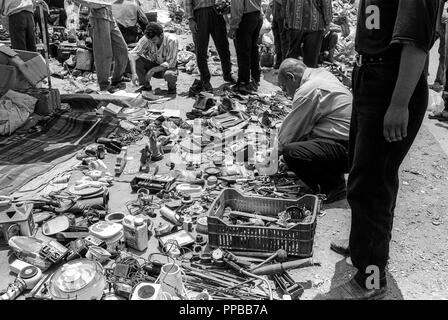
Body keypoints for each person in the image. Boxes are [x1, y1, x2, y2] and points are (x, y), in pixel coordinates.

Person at [326, 0, 439, 300]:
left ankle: (371, 279)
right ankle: (363, 243)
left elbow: (415, 44)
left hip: (390, 85)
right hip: (371, 78)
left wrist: (399, 104)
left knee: (373, 184)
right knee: (364, 172)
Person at [277, 58, 351, 203]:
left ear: (290, 77)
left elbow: (287, 137)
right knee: (301, 143)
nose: (285, 93)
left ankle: (333, 187)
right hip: (351, 144)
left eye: (284, 87)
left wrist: (269, 157)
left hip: (346, 150)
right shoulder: (322, 74)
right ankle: (333, 176)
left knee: (292, 152)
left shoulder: (309, 89)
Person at [72, 0, 128, 93]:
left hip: (109, 15)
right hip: (99, 17)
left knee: (122, 49)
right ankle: (104, 84)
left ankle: (117, 78)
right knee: (104, 53)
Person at [185, 0, 236, 92]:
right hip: (200, 14)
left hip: (216, 12)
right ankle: (205, 79)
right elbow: (188, 2)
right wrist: (190, 19)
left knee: (223, 46)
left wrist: (226, 5)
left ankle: (228, 74)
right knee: (201, 49)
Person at [129, 22, 179, 94]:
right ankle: (146, 87)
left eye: (154, 40)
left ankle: (172, 88)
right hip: (153, 64)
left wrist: (152, 70)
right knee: (137, 60)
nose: (152, 42)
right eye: (150, 40)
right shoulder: (146, 39)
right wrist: (134, 74)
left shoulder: (172, 40)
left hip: (167, 68)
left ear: (161, 35)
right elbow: (133, 55)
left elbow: (170, 63)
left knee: (170, 75)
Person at [284, 0, 333, 68]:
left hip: (295, 22)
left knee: (293, 55)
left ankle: (290, 74)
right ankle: (308, 76)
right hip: (314, 23)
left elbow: (287, 3)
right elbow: (326, 3)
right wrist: (327, 22)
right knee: (311, 58)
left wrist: (287, 19)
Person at [228, 0, 262, 94]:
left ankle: (243, 83)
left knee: (243, 51)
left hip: (246, 18)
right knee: (253, 49)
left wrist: (233, 27)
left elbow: (238, 8)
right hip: (257, 15)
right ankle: (256, 78)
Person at [267, 0, 289, 69]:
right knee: (280, 40)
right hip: (278, 13)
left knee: (282, 40)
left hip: (281, 13)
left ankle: (282, 63)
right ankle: (280, 63)